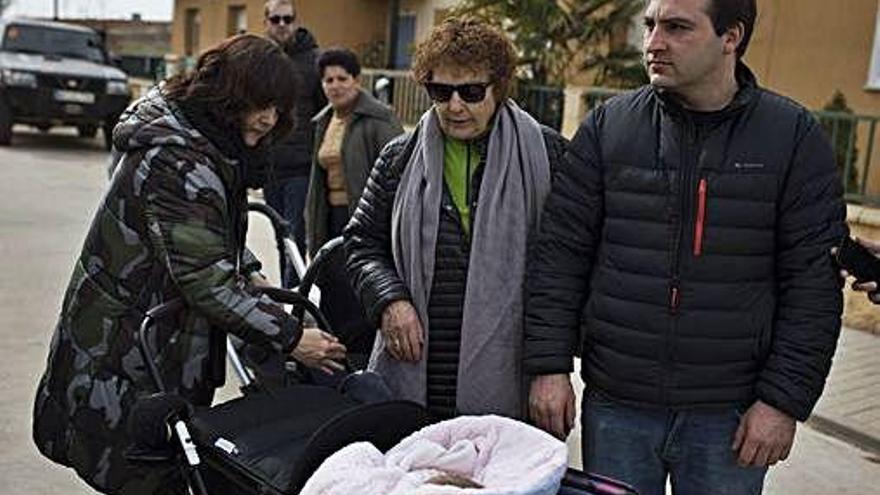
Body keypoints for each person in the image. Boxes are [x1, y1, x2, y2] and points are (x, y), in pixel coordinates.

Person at [524, 0, 846, 493]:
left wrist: (782, 401)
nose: (652, 43)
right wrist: (548, 365)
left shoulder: (793, 138)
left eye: (677, 28)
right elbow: (560, 256)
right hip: (617, 404)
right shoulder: (609, 128)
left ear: (731, 37)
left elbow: (813, 287)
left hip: (729, 416)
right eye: (650, 25)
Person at [32, 34, 346, 495]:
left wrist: (250, 270)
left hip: (157, 341)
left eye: (278, 107)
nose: (269, 118)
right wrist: (293, 338)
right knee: (140, 468)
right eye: (260, 104)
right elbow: (204, 279)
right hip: (124, 347)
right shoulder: (178, 160)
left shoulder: (208, 142)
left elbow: (209, 236)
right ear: (228, 96)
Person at [344, 18, 568, 420]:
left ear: (498, 88)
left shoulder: (549, 155)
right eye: (440, 92)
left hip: (512, 369)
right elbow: (360, 242)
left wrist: (553, 365)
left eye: (471, 91)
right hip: (417, 366)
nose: (455, 105)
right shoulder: (399, 157)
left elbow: (569, 268)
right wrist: (389, 300)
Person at [305, 47, 403, 364]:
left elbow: (398, 175)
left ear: (357, 80)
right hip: (332, 219)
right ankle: (338, 367)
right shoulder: (323, 121)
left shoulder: (379, 119)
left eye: (342, 78)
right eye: (328, 80)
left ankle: (364, 364)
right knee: (334, 297)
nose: (335, 86)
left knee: (361, 296)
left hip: (364, 220)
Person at [262, 0, 326, 285]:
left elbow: (326, 112)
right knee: (281, 238)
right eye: (275, 19)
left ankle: (293, 302)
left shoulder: (314, 60)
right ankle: (289, 298)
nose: (282, 25)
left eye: (287, 19)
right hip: (269, 165)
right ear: (266, 22)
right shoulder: (260, 59)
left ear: (295, 21)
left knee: (295, 238)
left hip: (301, 167)